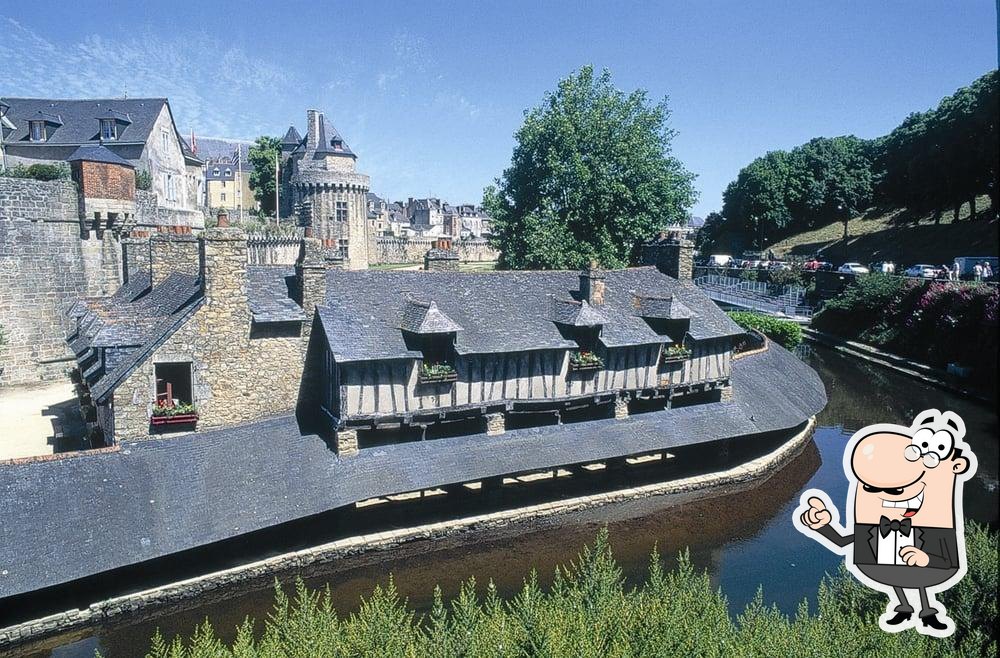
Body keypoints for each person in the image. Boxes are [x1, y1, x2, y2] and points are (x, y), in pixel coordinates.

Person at [795, 410, 977, 637]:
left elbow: (947, 560)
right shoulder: (873, 526)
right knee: (897, 579)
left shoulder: (936, 529)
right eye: (871, 488)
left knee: (919, 581)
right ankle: (903, 607)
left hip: (924, 571)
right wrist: (823, 526)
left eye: (897, 490)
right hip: (885, 569)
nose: (888, 496)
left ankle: (928, 612)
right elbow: (842, 541)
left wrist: (926, 558)